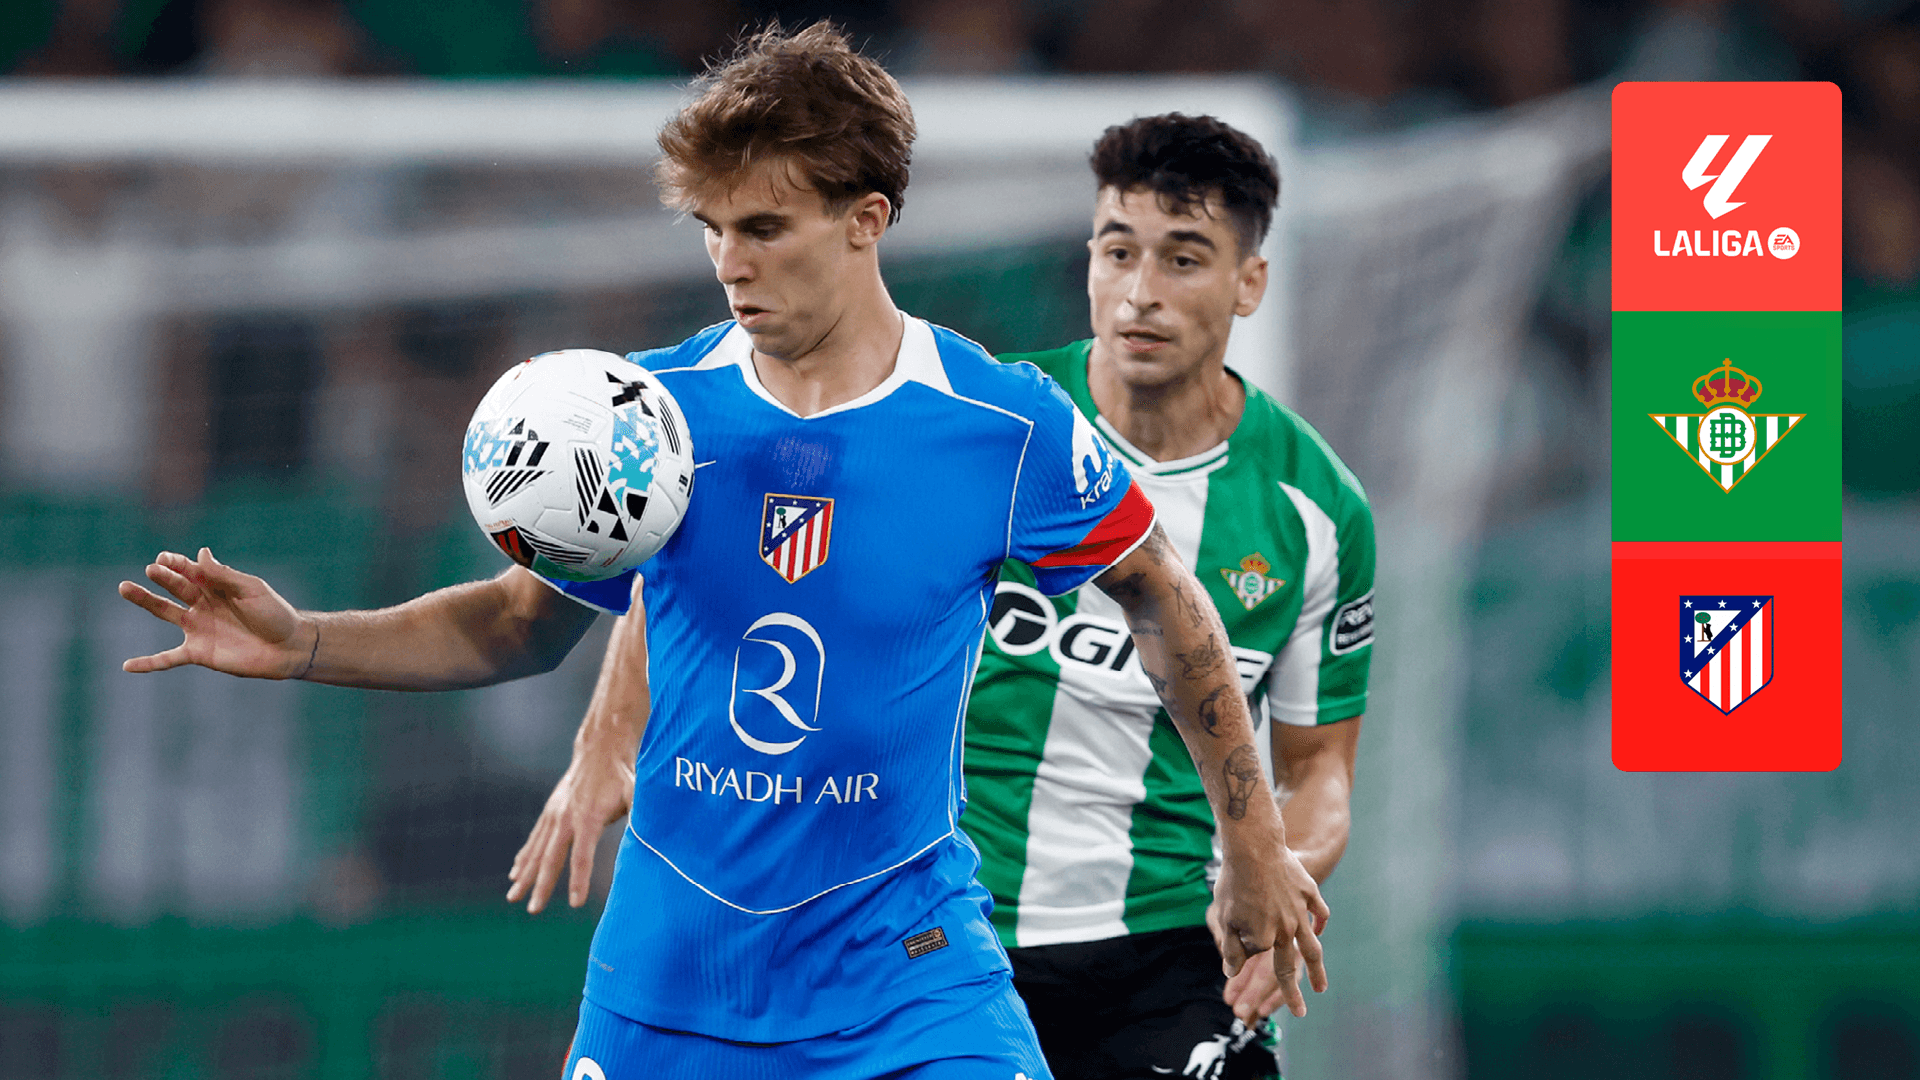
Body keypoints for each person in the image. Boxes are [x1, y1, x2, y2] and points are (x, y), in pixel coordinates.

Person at [118, 26, 1329, 1080]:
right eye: (711, 230)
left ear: (866, 222)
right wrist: (304, 641)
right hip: (673, 980)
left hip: (905, 976)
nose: (730, 262)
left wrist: (1252, 843)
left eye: (764, 227)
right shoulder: (649, 418)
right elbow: (514, 624)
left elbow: (1170, 606)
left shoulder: (998, 426)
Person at [963, 115, 1375, 1078]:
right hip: (948, 934)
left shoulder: (1315, 509)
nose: (1141, 292)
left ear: (1249, 283)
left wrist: (1275, 874)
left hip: (1172, 948)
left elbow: (1317, 771)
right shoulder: (987, 430)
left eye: (1183, 259)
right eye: (1119, 252)